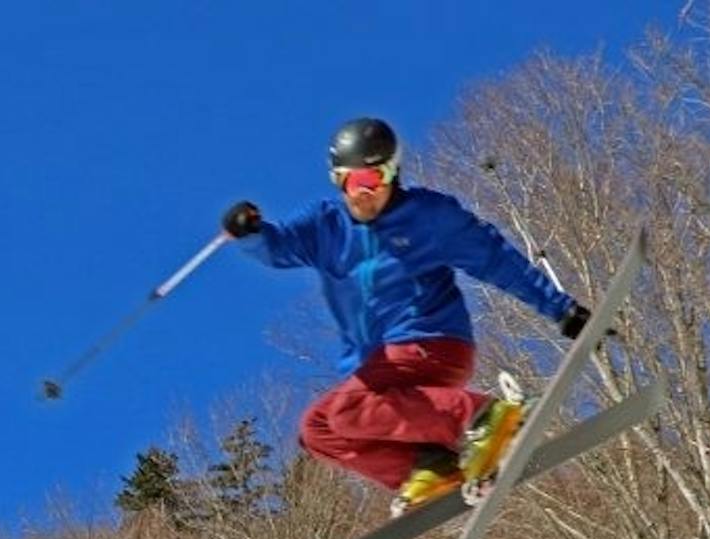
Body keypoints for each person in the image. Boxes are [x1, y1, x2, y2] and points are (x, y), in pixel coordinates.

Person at [221, 117, 594, 516]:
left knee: (345, 411)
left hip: (431, 343)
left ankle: (485, 417)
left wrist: (559, 307)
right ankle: (430, 466)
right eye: (352, 181)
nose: (364, 192)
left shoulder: (428, 217)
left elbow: (495, 260)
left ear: (392, 173)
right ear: (337, 180)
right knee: (319, 430)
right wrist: (250, 234)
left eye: (374, 178)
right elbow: (279, 248)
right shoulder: (325, 226)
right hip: (379, 371)